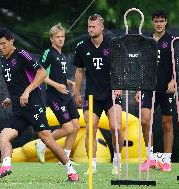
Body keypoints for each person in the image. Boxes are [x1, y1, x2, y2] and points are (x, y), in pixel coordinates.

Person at [0, 28, 79, 181]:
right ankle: (6, 166)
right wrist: (11, 98)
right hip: (18, 109)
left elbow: (42, 73)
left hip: (33, 106)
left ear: (11, 41)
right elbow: (17, 83)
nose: (1, 47)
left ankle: (71, 171)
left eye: (3, 43)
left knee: (46, 139)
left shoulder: (21, 55)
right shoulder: (3, 60)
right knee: (2, 138)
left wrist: (27, 92)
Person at [74, 14, 124, 175]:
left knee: (115, 127)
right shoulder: (82, 46)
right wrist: (76, 93)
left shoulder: (113, 42)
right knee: (90, 129)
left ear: (102, 27)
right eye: (89, 26)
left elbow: (122, 65)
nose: (91, 29)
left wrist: (120, 85)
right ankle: (92, 165)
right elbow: (79, 71)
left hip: (111, 92)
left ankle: (117, 159)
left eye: (94, 26)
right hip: (92, 95)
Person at [135, 10, 175, 172]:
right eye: (156, 21)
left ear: (166, 22)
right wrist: (138, 87)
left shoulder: (172, 40)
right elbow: (141, 65)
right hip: (148, 87)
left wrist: (173, 80)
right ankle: (150, 158)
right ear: (152, 22)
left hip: (166, 88)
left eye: (162, 21)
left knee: (167, 123)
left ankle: (167, 161)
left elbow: (177, 63)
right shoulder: (146, 41)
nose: (159, 23)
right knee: (145, 120)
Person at [35, 23, 80, 163]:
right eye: (57, 37)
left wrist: (69, 82)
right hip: (54, 96)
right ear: (51, 39)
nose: (61, 39)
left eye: (62, 36)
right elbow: (41, 75)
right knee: (67, 128)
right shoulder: (48, 53)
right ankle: (42, 143)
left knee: (76, 126)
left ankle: (64, 158)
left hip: (65, 95)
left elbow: (59, 76)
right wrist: (57, 86)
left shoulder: (63, 55)